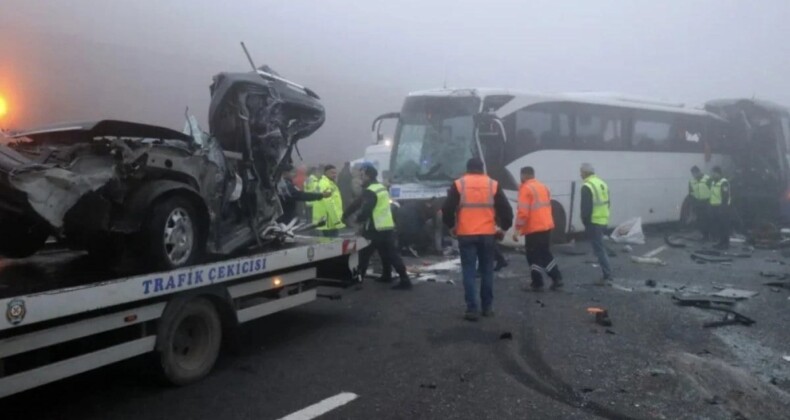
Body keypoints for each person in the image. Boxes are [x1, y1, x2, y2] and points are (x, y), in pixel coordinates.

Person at [443, 158, 513, 321]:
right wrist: (503, 228)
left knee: (468, 271)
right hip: (487, 234)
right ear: (482, 169)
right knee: (487, 270)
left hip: (466, 233)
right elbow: (507, 211)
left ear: (467, 169)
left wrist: (451, 226)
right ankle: (487, 308)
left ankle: (471, 309)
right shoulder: (492, 184)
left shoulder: (459, 184)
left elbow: (447, 209)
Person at [343, 165, 413, 290]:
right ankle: (398, 277)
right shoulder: (381, 188)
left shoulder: (370, 191)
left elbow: (365, 208)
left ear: (368, 176)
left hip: (374, 228)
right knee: (389, 254)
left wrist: (355, 219)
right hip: (386, 226)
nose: (360, 179)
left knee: (363, 255)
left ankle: (358, 281)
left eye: (362, 176)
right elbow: (358, 202)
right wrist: (346, 214)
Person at [512, 166, 563, 290]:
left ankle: (537, 283)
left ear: (523, 175)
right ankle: (556, 277)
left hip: (534, 228)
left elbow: (523, 213)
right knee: (545, 253)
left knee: (533, 255)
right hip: (546, 226)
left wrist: (517, 229)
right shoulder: (543, 187)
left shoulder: (525, 189)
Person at [580, 163, 612, 285]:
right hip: (603, 220)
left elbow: (586, 208)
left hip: (594, 222)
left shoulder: (587, 186)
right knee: (599, 248)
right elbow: (608, 203)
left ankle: (607, 275)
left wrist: (585, 222)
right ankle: (607, 274)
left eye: (581, 172)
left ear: (585, 173)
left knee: (599, 250)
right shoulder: (602, 183)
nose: (580, 174)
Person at [313, 164, 345, 237]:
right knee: (331, 244)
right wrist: (336, 220)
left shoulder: (331, 183)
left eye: (335, 173)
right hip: (329, 221)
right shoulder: (324, 183)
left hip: (331, 220)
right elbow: (328, 202)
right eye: (332, 172)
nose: (334, 175)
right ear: (325, 172)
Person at [709, 166, 731, 250]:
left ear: (718, 173)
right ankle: (721, 242)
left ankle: (725, 243)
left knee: (724, 226)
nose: (713, 175)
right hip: (715, 207)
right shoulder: (713, 182)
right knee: (719, 226)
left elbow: (725, 196)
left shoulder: (723, 182)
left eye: (714, 173)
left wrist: (722, 208)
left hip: (722, 207)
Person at [689, 166, 712, 240]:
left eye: (694, 174)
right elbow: (691, 193)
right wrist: (692, 204)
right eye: (692, 174)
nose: (693, 176)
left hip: (707, 201)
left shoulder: (707, 179)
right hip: (698, 202)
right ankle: (704, 235)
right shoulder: (692, 181)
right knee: (700, 220)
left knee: (707, 219)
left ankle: (709, 235)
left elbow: (714, 190)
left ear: (698, 172)